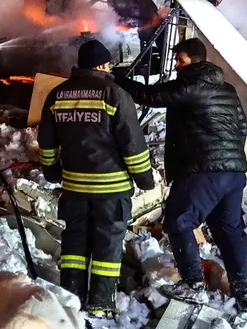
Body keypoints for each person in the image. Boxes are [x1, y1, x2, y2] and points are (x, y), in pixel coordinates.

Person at [114, 38, 247, 312]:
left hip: (204, 170)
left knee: (178, 221)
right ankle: (244, 292)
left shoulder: (192, 84)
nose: (177, 65)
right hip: (234, 172)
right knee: (229, 231)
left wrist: (117, 79)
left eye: (181, 60)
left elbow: (150, 96)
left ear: (195, 61)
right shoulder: (226, 89)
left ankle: (193, 285)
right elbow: (242, 128)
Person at [38, 39, 154, 318]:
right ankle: (101, 303)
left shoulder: (57, 94)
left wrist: (52, 171)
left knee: (75, 243)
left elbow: (47, 141)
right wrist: (145, 179)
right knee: (107, 243)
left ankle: (71, 297)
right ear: (102, 66)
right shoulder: (115, 94)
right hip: (111, 189)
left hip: (74, 187)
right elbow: (132, 144)